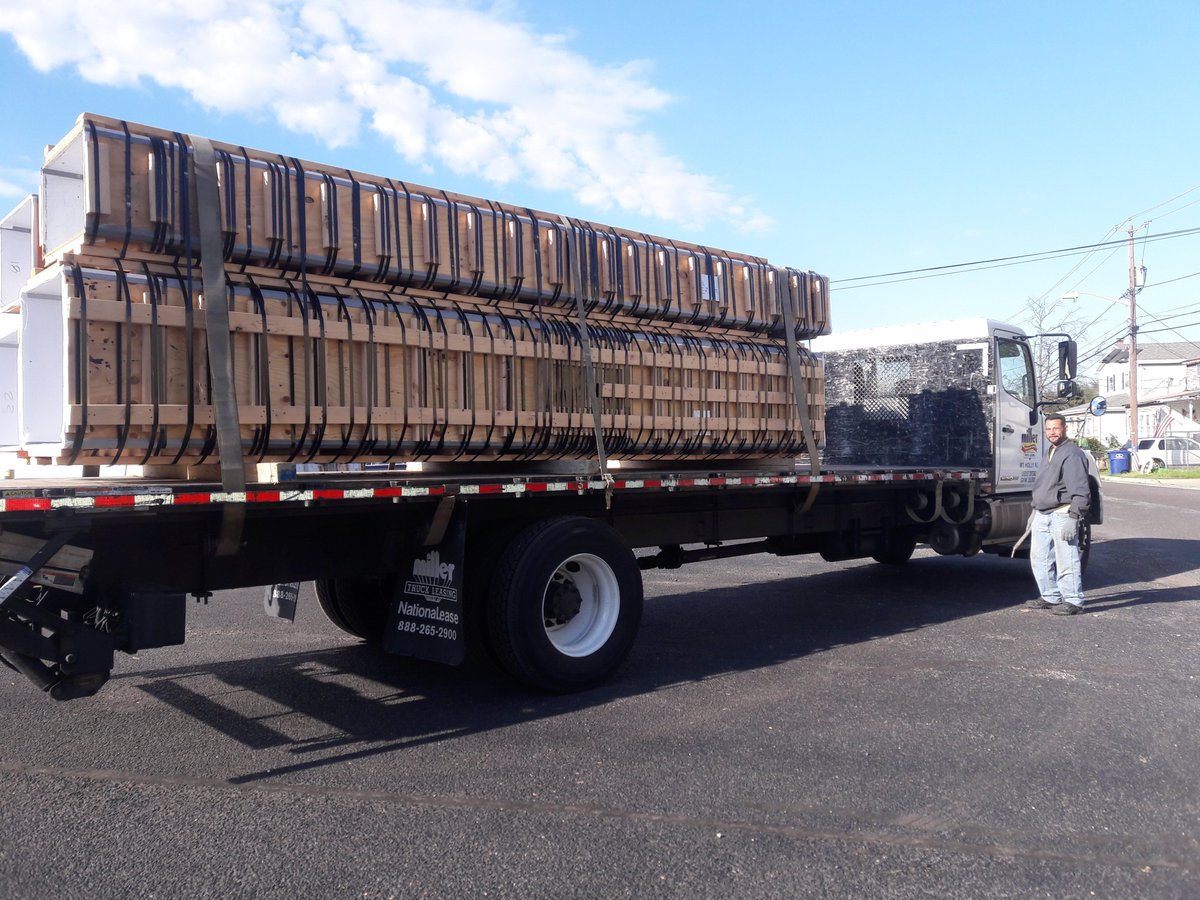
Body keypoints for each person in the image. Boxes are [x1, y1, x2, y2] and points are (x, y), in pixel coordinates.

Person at [1026, 413, 1092, 615]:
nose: (1052, 432)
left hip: (1062, 513)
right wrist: (1034, 510)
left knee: (1067, 558)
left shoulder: (1072, 454)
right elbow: (1045, 485)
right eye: (1048, 429)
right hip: (1043, 513)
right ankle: (1050, 595)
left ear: (1065, 429)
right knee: (1039, 557)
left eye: (1056, 428)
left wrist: (1074, 518)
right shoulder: (1051, 451)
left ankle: (1073, 600)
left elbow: (1081, 489)